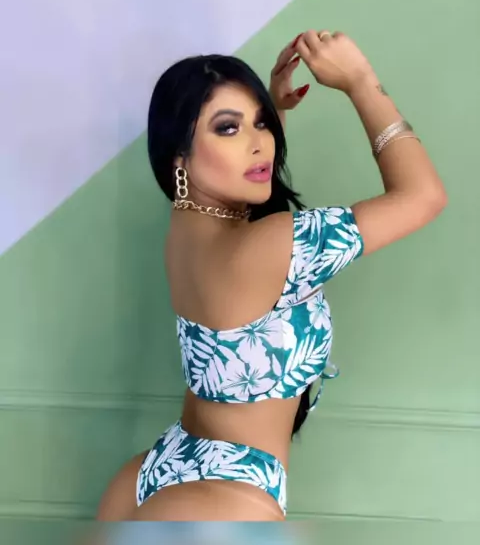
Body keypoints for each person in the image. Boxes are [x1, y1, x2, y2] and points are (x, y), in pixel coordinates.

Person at [96, 29, 447, 521]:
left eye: (259, 124)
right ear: (180, 156)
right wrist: (360, 81)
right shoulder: (274, 246)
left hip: (162, 468)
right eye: (228, 128)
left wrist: (276, 110)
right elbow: (423, 196)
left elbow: (249, 201)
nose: (259, 144)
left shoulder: (188, 223)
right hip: (227, 500)